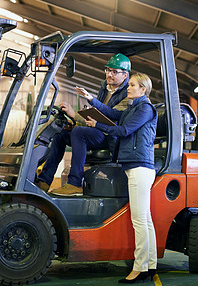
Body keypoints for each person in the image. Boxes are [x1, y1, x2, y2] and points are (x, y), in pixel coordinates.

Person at [82, 73, 158, 283]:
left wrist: (97, 127)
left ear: (143, 89)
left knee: (139, 220)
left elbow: (124, 130)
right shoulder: (133, 108)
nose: (128, 88)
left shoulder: (145, 109)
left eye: (132, 85)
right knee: (146, 220)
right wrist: (91, 99)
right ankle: (150, 265)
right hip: (136, 166)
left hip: (140, 167)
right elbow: (113, 113)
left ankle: (140, 268)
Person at [35, 53, 131, 196]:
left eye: (114, 71)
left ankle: (74, 183)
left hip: (111, 136)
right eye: (108, 70)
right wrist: (75, 122)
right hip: (98, 130)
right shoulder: (105, 88)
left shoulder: (128, 93)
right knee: (61, 134)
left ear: (125, 75)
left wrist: (76, 114)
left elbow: (111, 115)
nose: (109, 74)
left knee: (79, 133)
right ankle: (44, 180)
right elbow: (97, 114)